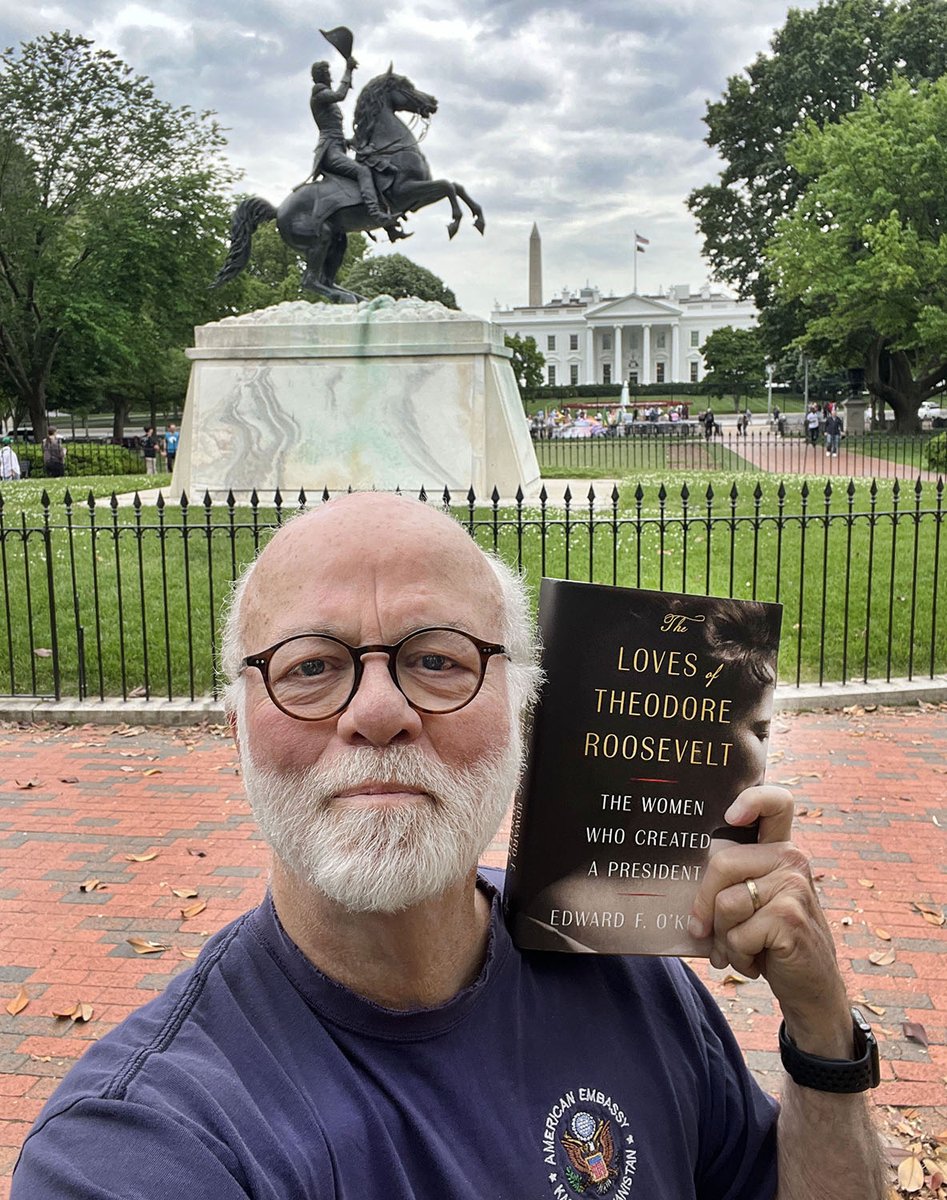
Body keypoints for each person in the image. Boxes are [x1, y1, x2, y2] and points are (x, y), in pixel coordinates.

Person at [13, 494, 885, 1199]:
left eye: (438, 659)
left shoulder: (626, 970)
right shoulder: (147, 1141)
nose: (378, 713)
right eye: (309, 666)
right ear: (235, 725)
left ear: (522, 707)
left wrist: (820, 1033)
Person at [309, 58, 401, 236]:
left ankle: (388, 222)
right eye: (327, 74)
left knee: (370, 167)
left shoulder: (325, 97)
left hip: (338, 146)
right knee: (363, 172)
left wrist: (351, 141)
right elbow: (340, 95)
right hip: (329, 152)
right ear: (321, 76)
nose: (330, 77)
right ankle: (376, 214)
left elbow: (335, 131)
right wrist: (348, 70)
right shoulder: (318, 91)